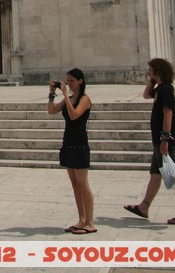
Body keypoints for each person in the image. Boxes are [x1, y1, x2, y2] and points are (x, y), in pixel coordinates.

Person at [124, 58, 175, 225]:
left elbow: (168, 114)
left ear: (158, 71)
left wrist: (164, 139)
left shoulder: (166, 90)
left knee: (174, 176)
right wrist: (151, 81)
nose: (148, 72)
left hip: (165, 140)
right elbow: (146, 95)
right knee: (155, 174)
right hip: (159, 141)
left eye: (151, 70)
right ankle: (144, 207)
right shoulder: (161, 88)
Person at [48, 68, 96, 234]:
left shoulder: (85, 99)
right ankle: (81, 219)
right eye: (67, 81)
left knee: (83, 184)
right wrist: (52, 94)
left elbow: (75, 114)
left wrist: (65, 97)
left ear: (80, 81)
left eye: (72, 81)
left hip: (80, 144)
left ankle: (90, 222)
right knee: (75, 185)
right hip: (68, 143)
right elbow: (51, 110)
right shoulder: (69, 98)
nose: (69, 84)